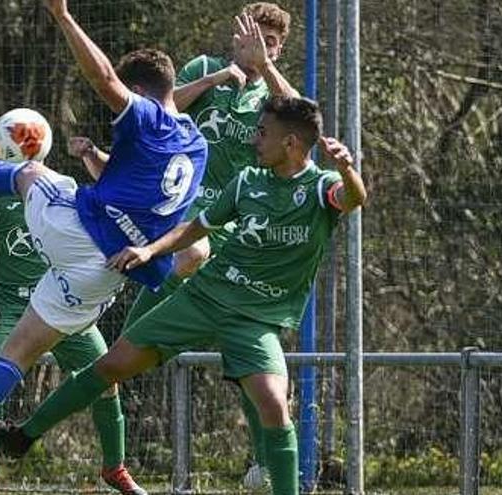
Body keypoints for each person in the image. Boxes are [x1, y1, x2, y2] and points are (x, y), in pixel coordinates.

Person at [0, 96, 367, 495]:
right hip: (202, 298)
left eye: (263, 132)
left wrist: (348, 170)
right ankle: (23, 435)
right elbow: (197, 227)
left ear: (291, 143)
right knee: (111, 366)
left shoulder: (321, 187)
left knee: (273, 402)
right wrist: (150, 251)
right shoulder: (248, 181)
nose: (254, 140)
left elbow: (353, 199)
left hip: (254, 319)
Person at [0, 1, 208, 490]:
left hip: (76, 231)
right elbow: (143, 197)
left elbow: (105, 78)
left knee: (30, 172)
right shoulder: (196, 148)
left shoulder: (148, 118)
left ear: (144, 93)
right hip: (104, 275)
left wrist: (63, 16)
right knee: (18, 357)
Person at [129, 3, 298, 486]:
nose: (256, 47)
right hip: (185, 211)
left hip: (241, 227)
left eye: (269, 43)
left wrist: (264, 68)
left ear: (279, 48)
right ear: (234, 35)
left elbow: (304, 123)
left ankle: (266, 461)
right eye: (251, 37)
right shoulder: (205, 69)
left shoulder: (273, 91)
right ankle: (120, 351)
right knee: (191, 253)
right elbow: (161, 113)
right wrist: (214, 79)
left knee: (245, 357)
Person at [0, 181, 143, 495]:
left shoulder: (63, 188)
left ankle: (115, 468)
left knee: (107, 377)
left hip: (64, 305)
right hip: (12, 312)